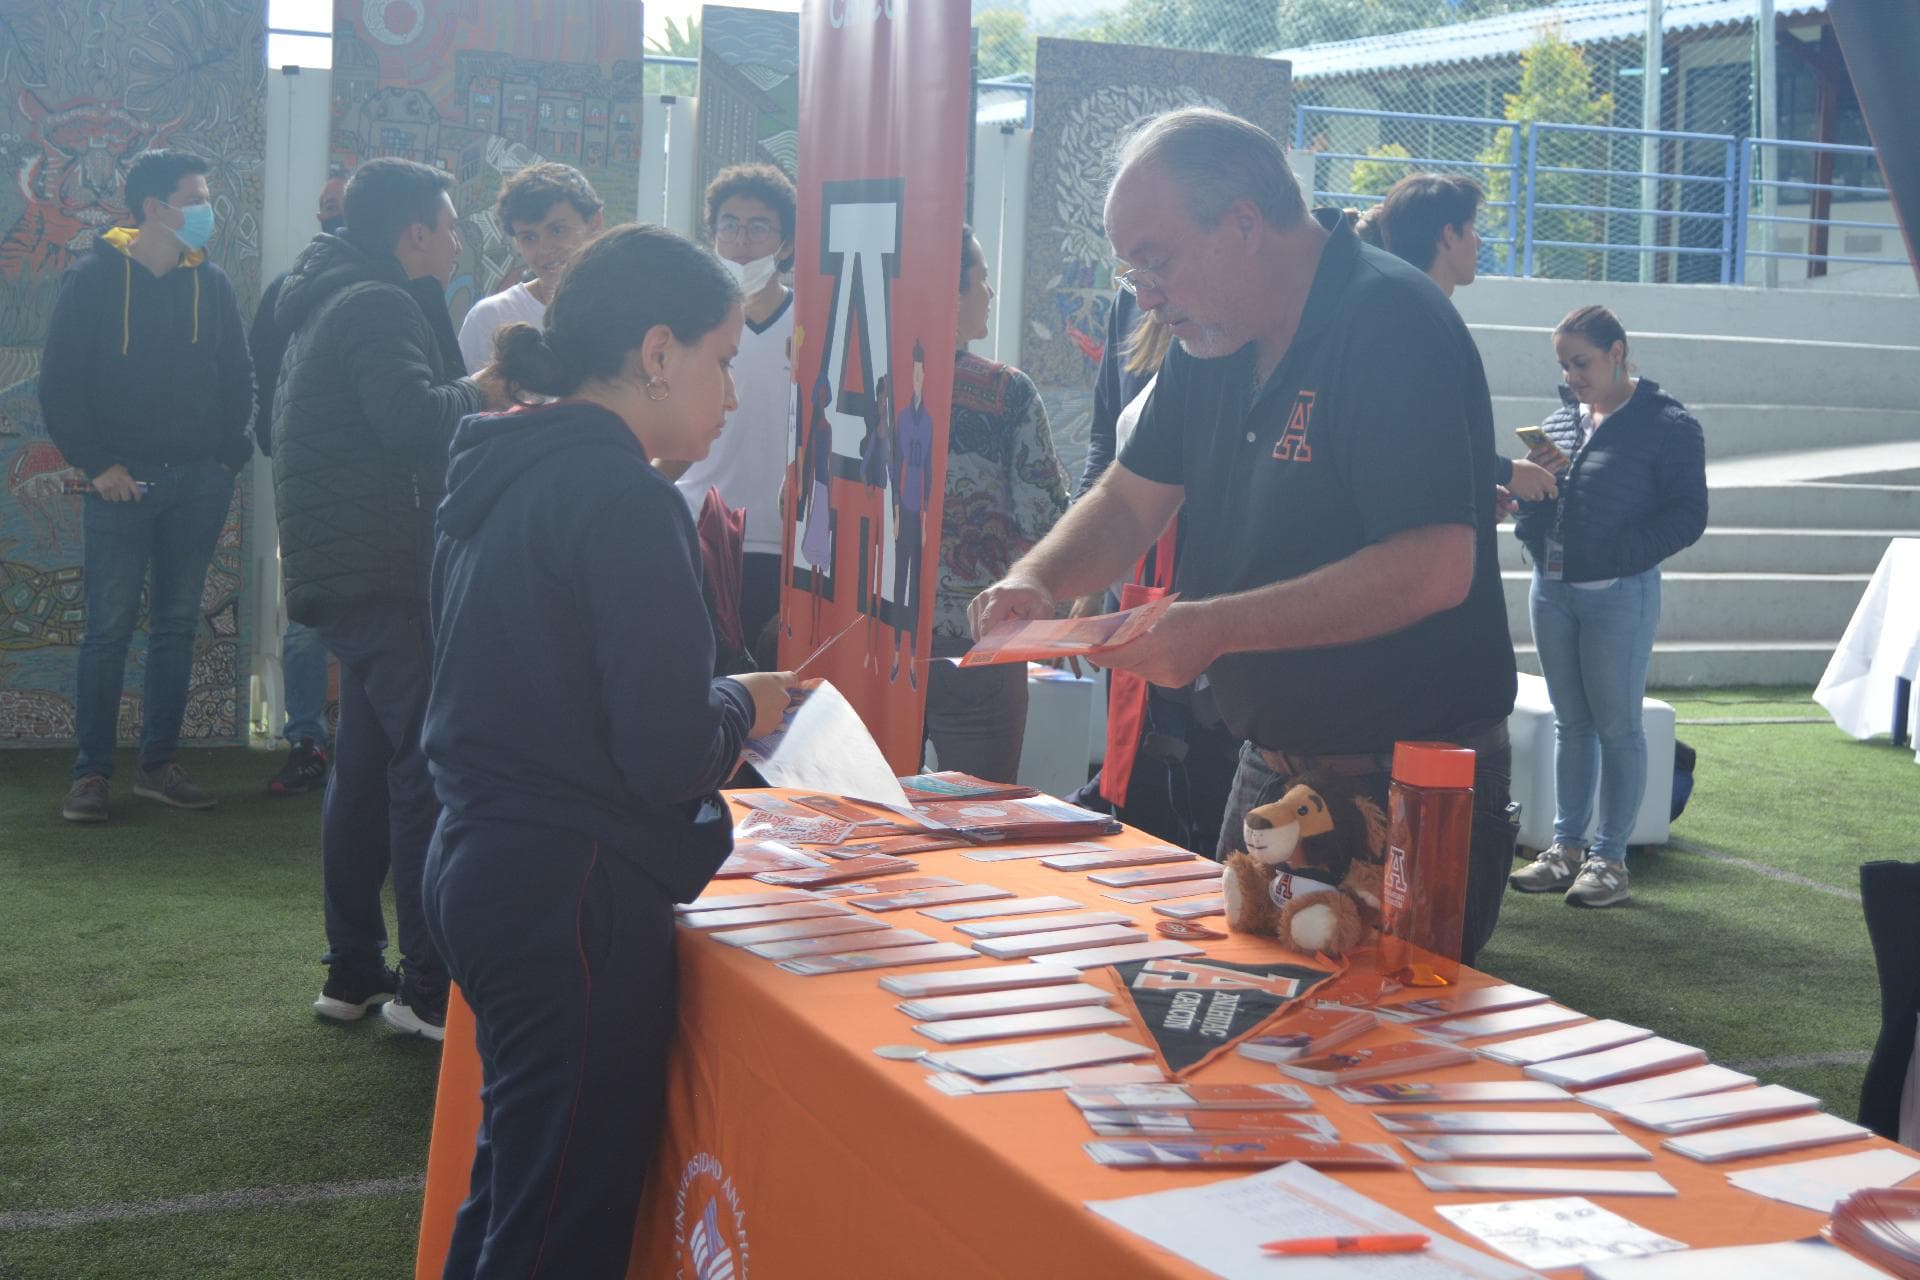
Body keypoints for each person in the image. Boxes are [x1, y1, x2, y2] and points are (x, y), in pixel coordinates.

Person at [970, 108, 1519, 964]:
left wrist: (1217, 626)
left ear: (1243, 224)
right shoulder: (1211, 340)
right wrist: (1038, 579)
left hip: (1403, 780)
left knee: (1373, 1055)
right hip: (1270, 760)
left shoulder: (1389, 322)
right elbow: (1127, 498)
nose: (1143, 294)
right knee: (1247, 1022)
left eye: (1156, 260)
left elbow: (1435, 566)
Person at [421, 223, 795, 1280]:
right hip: (567, 888)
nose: (730, 396)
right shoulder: (625, 498)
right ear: (658, 351)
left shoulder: (500, 462)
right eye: (723, 362)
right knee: (558, 1223)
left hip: (486, 859)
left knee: (516, 1187)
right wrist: (744, 698)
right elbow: (668, 752)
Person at [273, 157, 493, 1039]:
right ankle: (429, 990)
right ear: (414, 234)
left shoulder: (335, 294)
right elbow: (411, 418)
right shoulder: (375, 302)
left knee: (363, 777)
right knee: (422, 776)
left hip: (352, 572)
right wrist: (486, 387)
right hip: (385, 572)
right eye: (449, 224)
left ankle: (355, 971)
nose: (458, 240)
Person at [41, 149, 253, 823]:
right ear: (155, 209)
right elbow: (61, 382)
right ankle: (92, 775)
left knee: (175, 627)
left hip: (200, 481)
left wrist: (226, 456)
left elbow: (238, 374)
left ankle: (158, 767)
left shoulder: (212, 282)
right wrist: (96, 462)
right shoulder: (94, 278)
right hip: (118, 484)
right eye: (196, 197)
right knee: (106, 631)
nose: (207, 210)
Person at [1509, 306, 1706, 908]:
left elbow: (1688, 516)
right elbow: (1543, 512)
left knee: (1618, 727)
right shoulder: (1560, 422)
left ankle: (1610, 861)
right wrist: (1528, 499)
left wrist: (1624, 556)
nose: (1571, 375)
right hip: (1553, 589)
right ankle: (1567, 850)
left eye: (1582, 361)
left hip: (1619, 595)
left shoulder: (1668, 424)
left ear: (1617, 352)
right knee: (1573, 723)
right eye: (1564, 364)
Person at [1072, 287, 1240, 854]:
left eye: (1152, 259)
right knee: (1144, 749)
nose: (1144, 284)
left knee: (1209, 755)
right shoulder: (1129, 304)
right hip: (1138, 571)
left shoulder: (1237, 312)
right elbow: (1104, 443)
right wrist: (1084, 577)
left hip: (1217, 579)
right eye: (1133, 265)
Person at [925, 226, 1069, 781]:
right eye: (979, 280)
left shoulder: (856, 385)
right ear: (948, 292)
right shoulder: (1007, 393)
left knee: (868, 824)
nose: (988, 294)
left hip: (870, 641)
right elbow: (1045, 521)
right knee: (977, 819)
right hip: (978, 646)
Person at [1363, 173, 1559, 507]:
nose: (1479, 242)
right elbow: (1428, 436)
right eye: (1471, 228)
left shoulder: (1404, 311)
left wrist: (1476, 489)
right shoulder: (1417, 321)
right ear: (1448, 236)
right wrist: (1509, 472)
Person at [671, 163, 797, 665]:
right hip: (702, 534)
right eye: (729, 224)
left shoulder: (816, 324)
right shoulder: (685, 326)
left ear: (785, 244)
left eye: (759, 226)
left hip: (789, 545)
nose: (742, 239)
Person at [252, 170, 350, 797]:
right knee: (308, 614)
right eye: (325, 211)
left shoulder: (409, 288)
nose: (331, 221)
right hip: (311, 479)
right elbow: (261, 372)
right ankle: (307, 741)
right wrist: (277, 444)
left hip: (387, 485)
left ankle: (370, 743)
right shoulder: (287, 291)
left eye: (341, 210)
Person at [455, 162, 603, 374]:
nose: (544, 249)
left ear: (595, 224)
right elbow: (466, 405)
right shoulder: (489, 319)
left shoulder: (626, 310)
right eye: (529, 237)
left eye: (558, 230)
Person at [888, 342, 934, 685]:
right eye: (913, 373)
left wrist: (926, 518)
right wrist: (894, 512)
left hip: (919, 510)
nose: (917, 379)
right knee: (898, 583)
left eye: (921, 373)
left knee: (916, 589)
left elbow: (930, 470)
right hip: (902, 506)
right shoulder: (902, 418)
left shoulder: (929, 421)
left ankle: (915, 663)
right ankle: (893, 656)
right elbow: (894, 465)